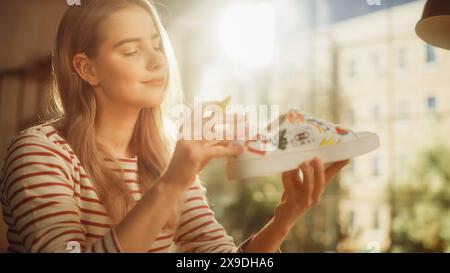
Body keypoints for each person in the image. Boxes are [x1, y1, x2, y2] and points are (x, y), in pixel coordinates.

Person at [0, 0, 349, 253]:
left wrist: (283, 219)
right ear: (87, 69)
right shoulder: (40, 152)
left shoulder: (166, 154)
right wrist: (173, 182)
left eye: (156, 44)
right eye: (131, 51)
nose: (157, 61)